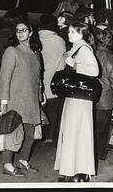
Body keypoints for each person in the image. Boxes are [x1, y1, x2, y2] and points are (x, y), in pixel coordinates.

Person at [54, 21, 99, 182]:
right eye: (69, 31)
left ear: (82, 34)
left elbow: (95, 71)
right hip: (73, 97)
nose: (69, 34)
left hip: (80, 99)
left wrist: (74, 64)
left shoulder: (85, 49)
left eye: (73, 32)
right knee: (72, 133)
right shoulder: (76, 48)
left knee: (78, 133)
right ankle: (70, 169)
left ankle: (80, 171)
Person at [0, 21, 43, 177]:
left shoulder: (36, 54)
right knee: (13, 134)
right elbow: (4, 78)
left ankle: (23, 161)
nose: (21, 33)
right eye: (18, 31)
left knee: (30, 135)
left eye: (24, 30)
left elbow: (38, 79)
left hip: (31, 100)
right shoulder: (12, 51)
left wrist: (40, 95)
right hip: (15, 100)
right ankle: (8, 165)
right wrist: (3, 102)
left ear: (30, 32)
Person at [93, 28, 113, 167]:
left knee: (91, 128)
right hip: (105, 99)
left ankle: (90, 153)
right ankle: (100, 154)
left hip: (91, 97)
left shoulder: (91, 54)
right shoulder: (111, 59)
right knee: (102, 130)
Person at [38, 14, 66, 143]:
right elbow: (64, 61)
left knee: (39, 107)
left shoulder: (36, 39)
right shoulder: (59, 40)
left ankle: (39, 134)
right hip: (54, 80)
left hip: (39, 80)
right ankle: (50, 136)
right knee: (53, 109)